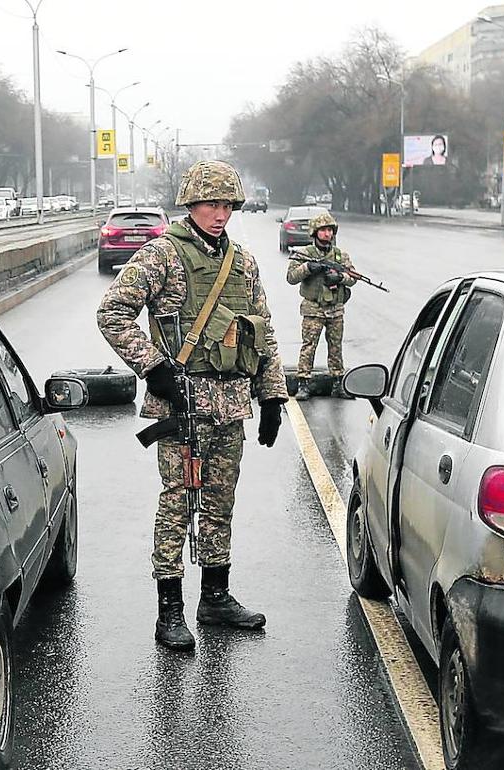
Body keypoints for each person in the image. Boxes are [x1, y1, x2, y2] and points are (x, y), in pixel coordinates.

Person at [97, 160, 288, 652]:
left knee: (220, 504)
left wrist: (271, 396)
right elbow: (112, 312)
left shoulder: (243, 262)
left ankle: (215, 598)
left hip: (229, 407)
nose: (219, 213)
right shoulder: (161, 255)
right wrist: (153, 367)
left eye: (226, 204)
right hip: (180, 405)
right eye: (210, 204)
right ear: (191, 204)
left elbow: (262, 331)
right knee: (178, 504)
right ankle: (169, 611)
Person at [287, 212, 355, 400]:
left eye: (330, 230)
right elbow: (291, 277)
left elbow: (353, 278)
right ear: (315, 233)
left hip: (335, 308)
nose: (327, 234)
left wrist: (340, 277)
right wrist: (308, 268)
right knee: (309, 346)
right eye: (323, 230)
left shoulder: (340, 256)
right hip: (313, 309)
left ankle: (337, 383)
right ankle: (303, 383)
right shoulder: (305, 254)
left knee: (335, 347)